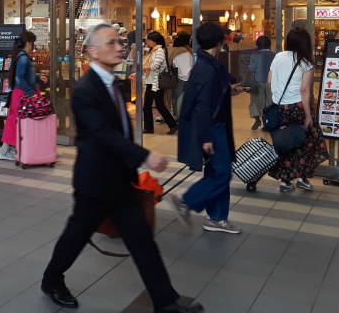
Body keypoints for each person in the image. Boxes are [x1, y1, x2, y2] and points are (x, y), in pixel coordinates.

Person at [41, 24, 203, 313]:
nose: (120, 46)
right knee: (75, 236)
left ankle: (166, 302)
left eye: (119, 42)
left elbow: (118, 132)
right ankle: (52, 279)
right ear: (92, 51)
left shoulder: (114, 84)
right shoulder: (84, 90)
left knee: (142, 241)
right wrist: (145, 156)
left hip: (121, 182)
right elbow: (103, 133)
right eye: (111, 43)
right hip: (94, 183)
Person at [172, 23, 244, 234]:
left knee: (216, 171)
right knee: (222, 173)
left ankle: (218, 218)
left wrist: (228, 89)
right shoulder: (206, 68)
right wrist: (206, 137)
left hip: (216, 126)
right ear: (219, 41)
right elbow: (202, 106)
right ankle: (186, 202)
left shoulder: (208, 64)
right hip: (213, 129)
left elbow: (211, 95)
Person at [267, 28, 329, 193]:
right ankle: (302, 178)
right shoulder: (306, 63)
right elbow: (304, 90)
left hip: (279, 108)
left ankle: (285, 182)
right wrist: (308, 115)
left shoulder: (278, 56)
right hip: (297, 108)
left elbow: (269, 80)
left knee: (285, 143)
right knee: (307, 143)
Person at [0, 31, 37, 161]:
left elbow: (24, 76)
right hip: (21, 94)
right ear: (28, 43)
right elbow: (19, 78)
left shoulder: (21, 56)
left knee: (14, 121)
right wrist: (31, 93)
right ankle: (4, 150)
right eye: (32, 43)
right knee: (14, 122)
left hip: (19, 93)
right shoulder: (24, 57)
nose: (33, 46)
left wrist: (38, 78)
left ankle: (7, 149)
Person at [142, 31, 177, 134]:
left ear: (153, 41)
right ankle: (151, 128)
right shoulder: (152, 50)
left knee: (157, 105)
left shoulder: (159, 51)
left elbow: (155, 66)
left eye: (148, 40)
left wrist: (143, 67)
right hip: (151, 81)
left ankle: (173, 125)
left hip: (156, 82)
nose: (147, 41)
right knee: (152, 105)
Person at [247, 35, 275, 130]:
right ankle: (268, 122)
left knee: (255, 101)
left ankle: (257, 120)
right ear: (269, 45)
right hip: (270, 82)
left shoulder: (255, 54)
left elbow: (251, 68)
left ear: (257, 45)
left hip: (257, 82)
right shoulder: (274, 54)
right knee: (269, 102)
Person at [169, 32, 194, 120]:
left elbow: (173, 64)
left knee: (176, 99)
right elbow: (189, 68)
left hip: (177, 78)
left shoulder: (174, 51)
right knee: (186, 99)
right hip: (187, 79)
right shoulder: (188, 52)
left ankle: (177, 116)